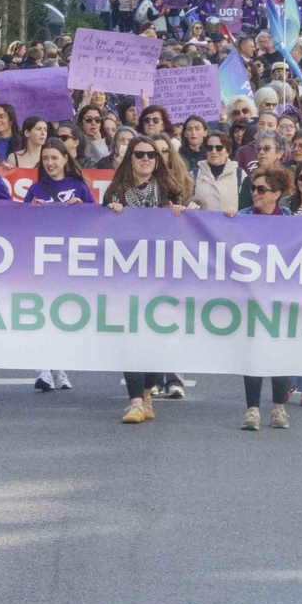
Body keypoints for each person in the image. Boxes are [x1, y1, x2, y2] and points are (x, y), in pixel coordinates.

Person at [103, 136, 191, 423]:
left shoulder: (169, 190)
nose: (145, 159)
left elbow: (190, 224)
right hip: (126, 276)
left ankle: (146, 391)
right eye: (139, 154)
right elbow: (100, 228)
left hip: (161, 276)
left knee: (156, 340)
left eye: (151, 155)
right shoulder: (115, 191)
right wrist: (111, 214)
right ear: (130, 158)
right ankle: (135, 402)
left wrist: (179, 214)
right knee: (131, 338)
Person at [231, 164, 295, 431]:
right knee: (254, 350)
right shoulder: (242, 217)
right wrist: (225, 222)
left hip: (282, 296)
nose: (255, 194)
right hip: (252, 295)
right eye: (252, 188)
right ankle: (252, 410)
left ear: (276, 194)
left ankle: (279, 408)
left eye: (261, 189)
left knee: (280, 350)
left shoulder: (291, 219)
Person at [190, 129, 243, 213]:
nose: (214, 152)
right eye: (209, 148)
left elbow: (246, 209)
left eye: (219, 148)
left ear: (227, 151)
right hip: (202, 225)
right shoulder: (193, 175)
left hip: (231, 225)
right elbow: (185, 204)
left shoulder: (240, 174)